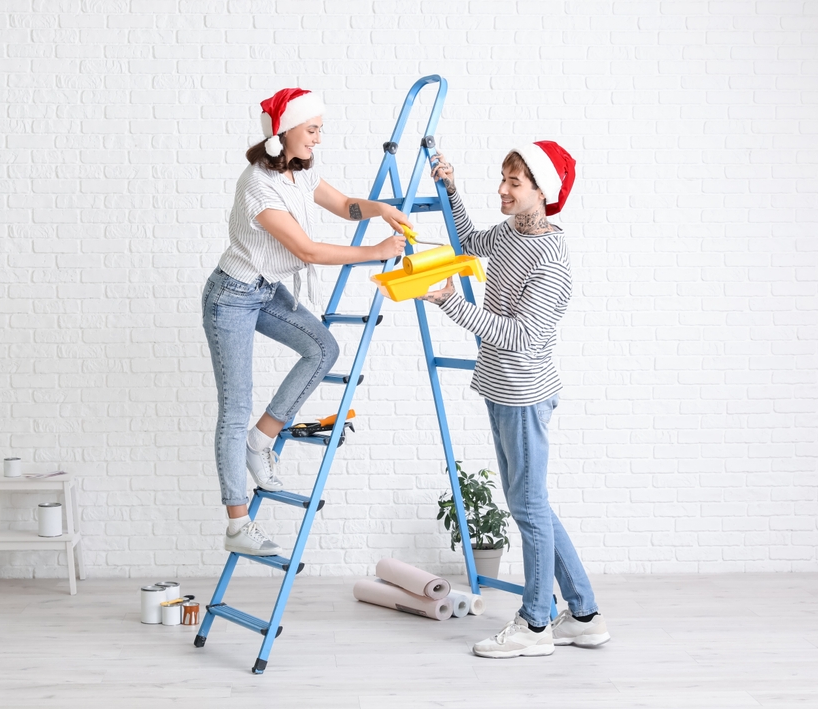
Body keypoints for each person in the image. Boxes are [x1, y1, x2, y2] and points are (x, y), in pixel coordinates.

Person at [421, 143, 610, 657]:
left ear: (542, 192)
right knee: (534, 506)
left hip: (524, 394)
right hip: (500, 387)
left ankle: (534, 625)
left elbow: (522, 336)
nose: (503, 190)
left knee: (527, 509)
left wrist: (450, 305)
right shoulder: (510, 232)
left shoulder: (551, 260)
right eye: (502, 178)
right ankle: (585, 616)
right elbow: (472, 240)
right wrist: (452, 190)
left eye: (515, 183)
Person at [202, 88, 409, 558]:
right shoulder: (259, 187)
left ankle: (263, 439)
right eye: (311, 129)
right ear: (284, 132)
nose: (318, 139)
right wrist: (373, 253)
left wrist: (381, 209)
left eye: (319, 129)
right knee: (234, 408)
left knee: (323, 349)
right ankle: (237, 523)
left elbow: (344, 206)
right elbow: (308, 252)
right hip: (231, 297)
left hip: (265, 289)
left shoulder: (298, 173)